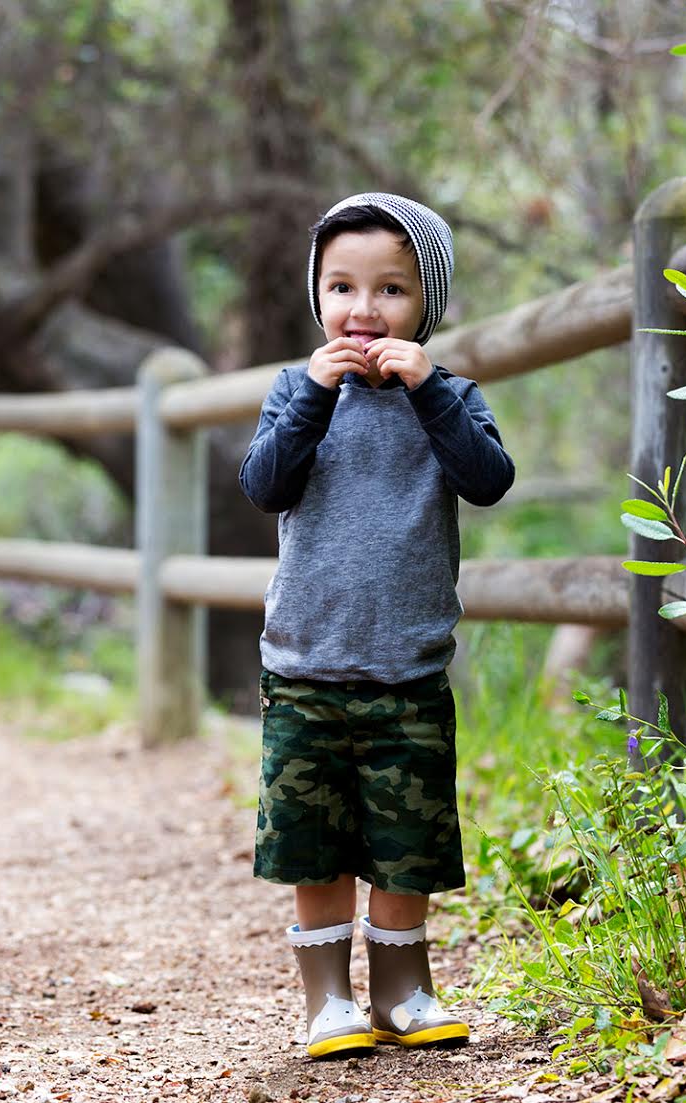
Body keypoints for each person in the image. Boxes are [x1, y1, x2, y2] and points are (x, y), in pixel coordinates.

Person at [239, 192, 515, 1059]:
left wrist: (430, 389)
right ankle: (327, 999)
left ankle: (404, 990)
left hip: (408, 674)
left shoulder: (453, 396)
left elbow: (488, 479)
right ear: (316, 296)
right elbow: (265, 483)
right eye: (342, 287)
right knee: (314, 848)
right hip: (305, 668)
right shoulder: (293, 390)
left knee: (409, 849)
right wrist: (314, 399)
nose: (364, 310)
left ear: (426, 302)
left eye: (391, 290)